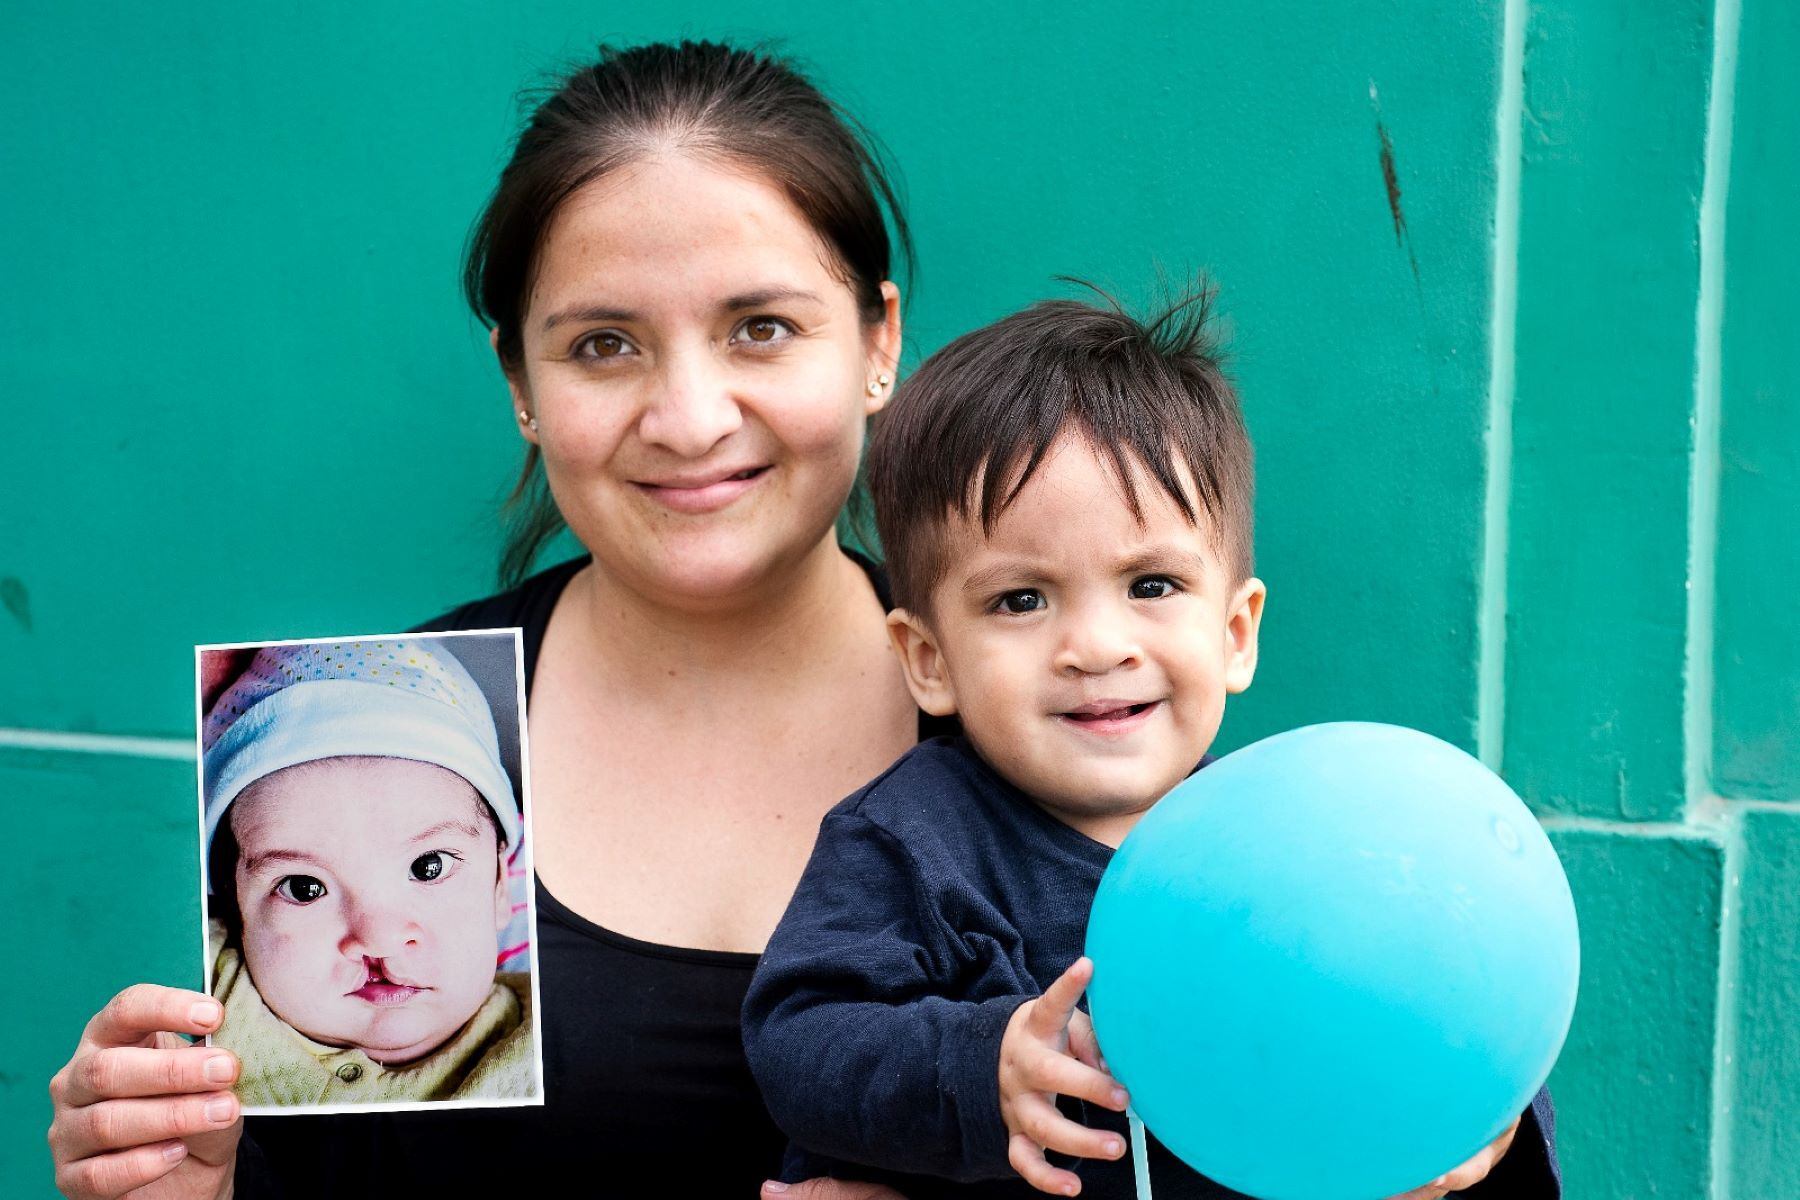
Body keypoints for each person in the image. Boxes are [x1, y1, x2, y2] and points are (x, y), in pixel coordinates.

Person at [48, 40, 930, 1199]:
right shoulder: (350, 740)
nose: (688, 415)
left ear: (878, 342)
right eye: (603, 344)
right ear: (520, 380)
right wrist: (188, 1186)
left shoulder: (1073, 732)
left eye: (761, 327)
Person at [743, 291, 1560, 1199]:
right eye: (1021, 599)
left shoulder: (1303, 851)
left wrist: (1475, 1138)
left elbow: (1444, 1016)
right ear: (928, 659)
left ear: (1236, 631)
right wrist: (987, 1069)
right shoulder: (911, 841)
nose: (1097, 646)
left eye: (1153, 584)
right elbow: (799, 1039)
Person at [200, 638, 535, 1106]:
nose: (378, 939)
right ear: (235, 912)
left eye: (428, 866)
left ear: (501, 888)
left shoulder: (547, 1037)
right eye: (304, 887)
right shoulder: (202, 994)